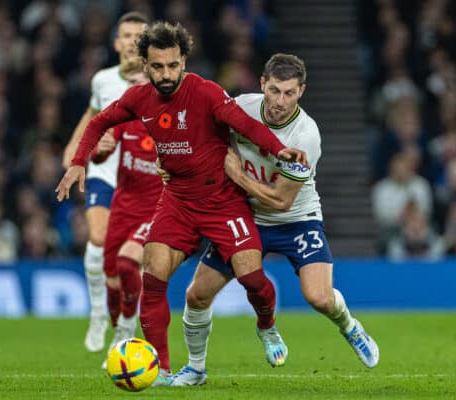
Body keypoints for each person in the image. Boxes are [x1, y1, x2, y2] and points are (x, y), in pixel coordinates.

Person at [55, 22, 308, 385]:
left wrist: (280, 149)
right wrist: (79, 161)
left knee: (253, 279)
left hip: (223, 202)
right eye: (158, 67)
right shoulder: (139, 99)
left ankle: (267, 326)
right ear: (145, 65)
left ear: (183, 60)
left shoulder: (205, 92)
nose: (167, 74)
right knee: (153, 278)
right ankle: (161, 369)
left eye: (173, 65)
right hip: (177, 202)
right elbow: (97, 123)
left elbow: (246, 126)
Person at [169, 53, 380, 386]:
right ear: (263, 84)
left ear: (302, 92)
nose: (281, 101)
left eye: (290, 93)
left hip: (297, 219)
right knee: (196, 294)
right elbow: (201, 133)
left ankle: (350, 327)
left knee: (320, 298)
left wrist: (237, 176)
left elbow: (282, 201)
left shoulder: (305, 135)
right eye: (275, 91)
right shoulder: (240, 107)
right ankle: (196, 369)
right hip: (245, 216)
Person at [61, 12, 149, 353]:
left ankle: (123, 326)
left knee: (126, 263)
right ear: (116, 42)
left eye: (137, 36)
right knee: (97, 237)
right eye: (125, 35)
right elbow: (91, 117)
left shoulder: (158, 81)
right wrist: (76, 150)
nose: (130, 41)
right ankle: (99, 313)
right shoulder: (103, 80)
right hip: (105, 171)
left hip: (141, 179)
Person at [89, 58, 163, 368]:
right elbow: (99, 152)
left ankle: (126, 329)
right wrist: (101, 148)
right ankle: (119, 330)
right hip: (122, 207)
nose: (134, 91)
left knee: (127, 263)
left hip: (156, 210)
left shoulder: (167, 119)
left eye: (139, 84)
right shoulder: (123, 118)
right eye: (130, 86)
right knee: (111, 279)